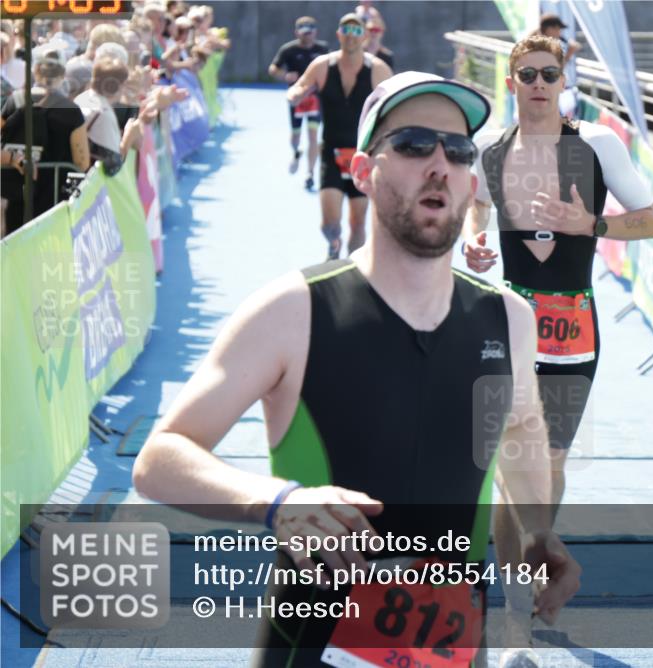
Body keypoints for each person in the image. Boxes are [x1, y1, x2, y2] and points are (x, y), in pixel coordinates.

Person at [133, 70, 581, 667]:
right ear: (364, 172)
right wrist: (277, 501)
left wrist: (533, 532)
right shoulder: (293, 311)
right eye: (414, 144)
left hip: (450, 646)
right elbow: (161, 457)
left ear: (472, 180)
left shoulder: (509, 320)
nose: (438, 164)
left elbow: (521, 428)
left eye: (457, 150)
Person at [462, 34, 653, 665]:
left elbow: (652, 220)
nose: (541, 84)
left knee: (548, 464)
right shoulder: (491, 147)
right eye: (529, 74)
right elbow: (477, 206)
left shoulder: (598, 143)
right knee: (504, 468)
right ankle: (515, 615)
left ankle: (536, 558)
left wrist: (593, 226)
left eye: (551, 74)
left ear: (564, 79)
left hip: (574, 326)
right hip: (511, 323)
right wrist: (475, 242)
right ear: (513, 81)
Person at [288, 12, 392, 259]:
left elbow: (396, 103)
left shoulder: (377, 69)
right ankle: (333, 246)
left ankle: (352, 269)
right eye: (346, 30)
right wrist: (295, 94)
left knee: (358, 222)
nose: (351, 36)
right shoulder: (323, 66)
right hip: (331, 152)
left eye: (357, 31)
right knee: (329, 224)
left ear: (364, 36)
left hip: (364, 155)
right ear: (338, 35)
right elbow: (300, 86)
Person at [0, 47, 89, 232]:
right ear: (63, 74)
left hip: (16, 199)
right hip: (53, 204)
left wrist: (14, 158)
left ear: (35, 70)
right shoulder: (71, 111)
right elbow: (82, 162)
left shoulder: (15, 100)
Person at [269, 16, 329, 187]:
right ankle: (296, 152)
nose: (307, 36)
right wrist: (285, 76)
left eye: (310, 33)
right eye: (303, 33)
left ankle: (310, 173)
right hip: (296, 99)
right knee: (296, 134)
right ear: (297, 33)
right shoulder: (288, 50)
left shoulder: (323, 49)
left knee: (313, 135)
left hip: (315, 99)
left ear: (315, 32)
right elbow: (273, 68)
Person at [537, 12, 580, 118]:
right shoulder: (543, 47)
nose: (559, 32)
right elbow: (554, 71)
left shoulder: (548, 44)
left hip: (558, 92)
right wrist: (569, 53)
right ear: (548, 29)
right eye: (557, 29)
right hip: (553, 93)